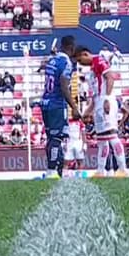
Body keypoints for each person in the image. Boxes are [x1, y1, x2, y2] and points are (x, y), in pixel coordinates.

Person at [74, 46, 125, 177]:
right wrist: (87, 111)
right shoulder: (91, 71)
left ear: (85, 54)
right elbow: (95, 95)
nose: (80, 63)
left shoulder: (99, 61)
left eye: (80, 60)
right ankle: (100, 170)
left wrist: (106, 99)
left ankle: (122, 169)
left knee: (112, 136)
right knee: (102, 140)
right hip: (98, 103)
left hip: (105, 101)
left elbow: (110, 78)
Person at [40, 35, 82, 177]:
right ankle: (52, 171)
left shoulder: (52, 60)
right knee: (56, 139)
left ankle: (54, 170)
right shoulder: (66, 63)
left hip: (45, 102)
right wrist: (74, 107)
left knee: (50, 139)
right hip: (57, 104)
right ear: (71, 47)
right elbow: (64, 87)